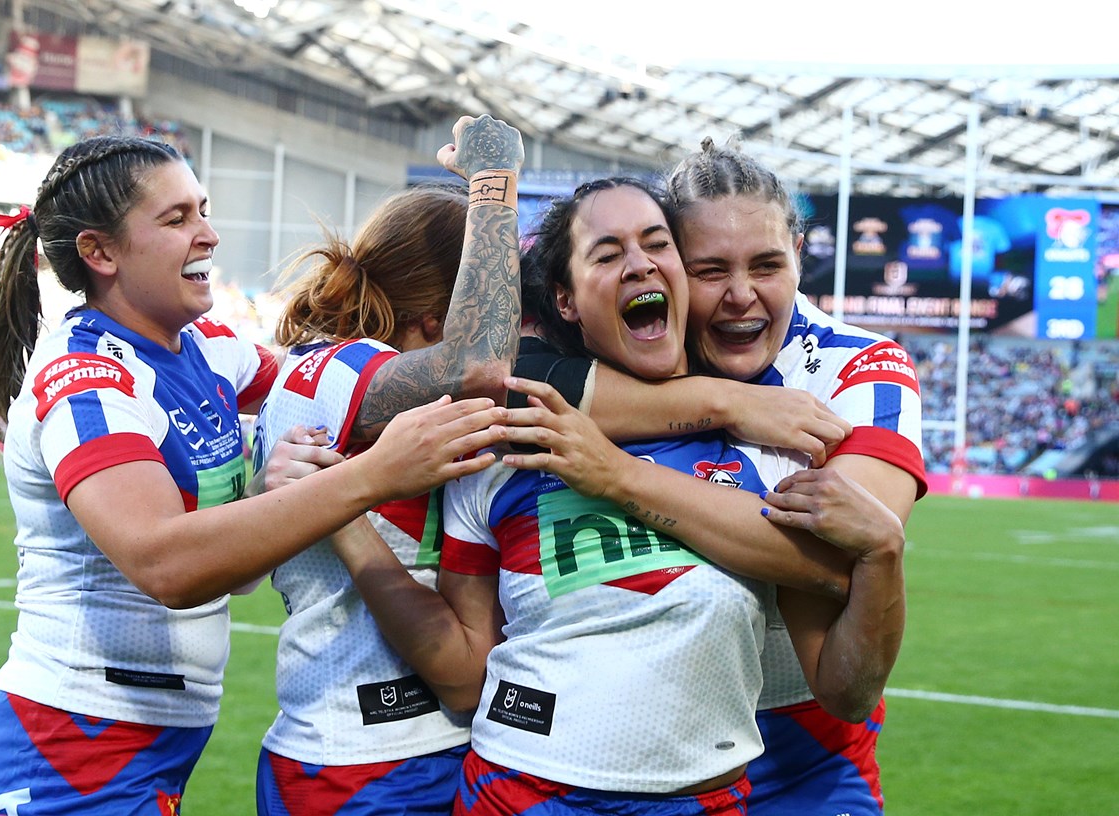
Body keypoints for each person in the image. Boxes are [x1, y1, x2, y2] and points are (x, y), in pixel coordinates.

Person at [323, 177, 907, 814]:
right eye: (607, 254)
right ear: (565, 301)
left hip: (727, 790)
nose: (640, 264)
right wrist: (342, 514)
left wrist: (881, 556)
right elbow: (465, 672)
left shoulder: (769, 439)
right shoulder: (502, 443)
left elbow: (829, 587)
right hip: (517, 794)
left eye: (658, 244)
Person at [0, 134, 506, 815]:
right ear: (99, 253)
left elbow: (332, 391)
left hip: (159, 737)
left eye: (204, 210)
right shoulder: (88, 382)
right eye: (177, 220)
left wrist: (267, 489)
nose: (209, 234)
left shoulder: (213, 353)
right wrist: (369, 479)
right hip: (71, 741)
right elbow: (167, 567)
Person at [511, 139, 926, 814]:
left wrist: (616, 471)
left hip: (802, 753)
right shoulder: (633, 346)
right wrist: (722, 402)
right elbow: (483, 376)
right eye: (710, 270)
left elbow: (834, 559)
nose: (740, 296)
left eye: (767, 265)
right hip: (636, 752)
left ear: (797, 250)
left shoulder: (860, 369)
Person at [249, 114, 525, 814]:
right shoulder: (357, 369)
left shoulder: (312, 368)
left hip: (329, 742)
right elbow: (481, 363)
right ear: (439, 318)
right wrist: (494, 184)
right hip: (382, 754)